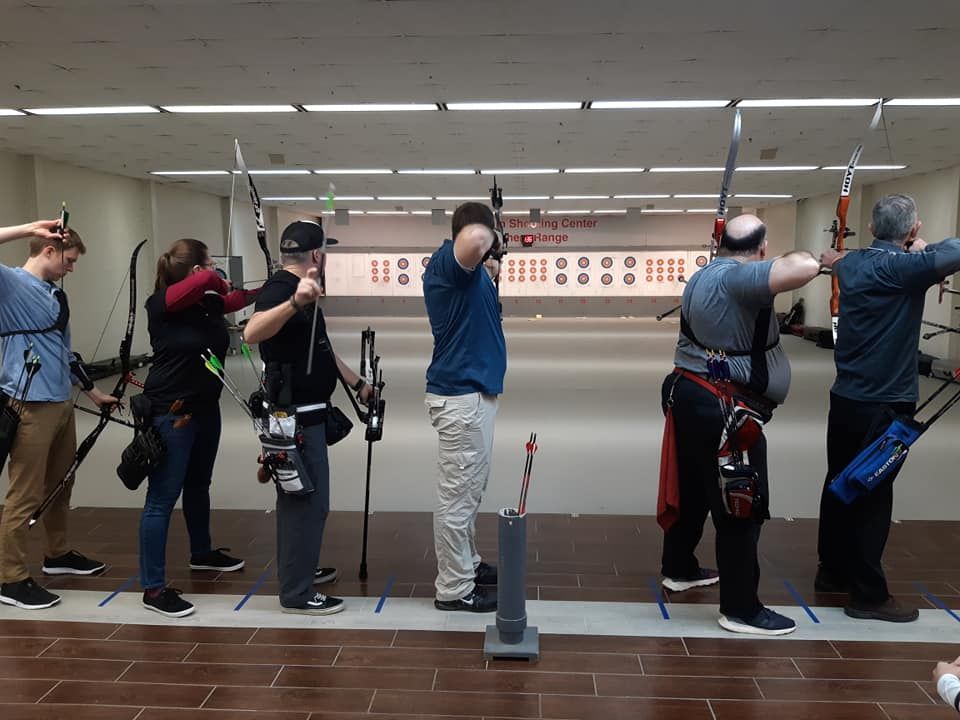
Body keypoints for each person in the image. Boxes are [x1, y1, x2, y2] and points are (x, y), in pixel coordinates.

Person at [659, 213, 821, 636]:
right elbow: (802, 267)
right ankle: (741, 608)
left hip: (689, 394)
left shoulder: (704, 275)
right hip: (724, 409)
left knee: (694, 487)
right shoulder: (740, 278)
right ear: (762, 249)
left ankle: (679, 568)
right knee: (740, 505)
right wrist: (818, 257)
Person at [816, 194, 960, 622]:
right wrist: (923, 248)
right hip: (885, 403)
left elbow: (834, 256)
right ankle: (868, 595)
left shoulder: (853, 263)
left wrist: (907, 248)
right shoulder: (905, 268)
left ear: (874, 229)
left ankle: (832, 571)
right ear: (912, 230)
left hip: (845, 397)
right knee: (873, 492)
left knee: (840, 480)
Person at [244, 220, 370, 615]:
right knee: (306, 503)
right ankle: (297, 593)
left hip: (308, 414)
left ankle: (301, 570)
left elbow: (322, 350)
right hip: (292, 418)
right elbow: (251, 332)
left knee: (300, 500)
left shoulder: (303, 293)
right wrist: (295, 302)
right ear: (317, 256)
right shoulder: (282, 289)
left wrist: (358, 383)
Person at [137, 238, 258, 618]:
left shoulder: (207, 303)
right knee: (160, 500)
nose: (212, 271)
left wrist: (282, 283)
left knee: (199, 484)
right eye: (206, 264)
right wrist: (212, 277)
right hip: (170, 413)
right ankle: (153, 589)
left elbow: (237, 300)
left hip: (206, 410)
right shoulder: (161, 304)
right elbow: (204, 283)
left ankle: (201, 552)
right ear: (194, 271)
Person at [0, 222, 116, 610]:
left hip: (60, 403)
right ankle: (11, 578)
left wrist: (93, 392)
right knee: (25, 493)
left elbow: (63, 352)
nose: (72, 268)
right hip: (28, 404)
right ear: (48, 250)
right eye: (69, 259)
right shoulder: (11, 284)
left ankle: (57, 553)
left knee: (60, 485)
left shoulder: (54, 294)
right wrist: (30, 227)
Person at [423, 202, 506, 613]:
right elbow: (474, 239)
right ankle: (454, 588)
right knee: (457, 496)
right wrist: (492, 236)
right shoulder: (446, 263)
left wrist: (488, 270)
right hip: (461, 398)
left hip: (473, 396)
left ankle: (467, 564)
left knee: (469, 490)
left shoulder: (467, 274)